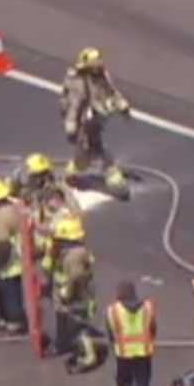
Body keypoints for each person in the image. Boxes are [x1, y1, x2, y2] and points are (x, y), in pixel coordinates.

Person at [61, 46, 132, 198]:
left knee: (91, 151)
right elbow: (73, 107)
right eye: (94, 67)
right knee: (93, 150)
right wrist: (71, 127)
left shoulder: (101, 75)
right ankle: (110, 176)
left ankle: (77, 171)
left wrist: (121, 104)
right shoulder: (78, 82)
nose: (98, 69)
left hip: (97, 116)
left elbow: (111, 91)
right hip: (84, 122)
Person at [45, 211, 98, 364]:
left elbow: (76, 275)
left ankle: (89, 356)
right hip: (66, 297)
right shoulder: (69, 252)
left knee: (77, 326)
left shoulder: (73, 256)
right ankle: (63, 344)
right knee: (64, 321)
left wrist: (66, 291)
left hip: (75, 297)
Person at [0, 177, 31, 334]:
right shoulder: (12, 207)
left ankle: (13, 321)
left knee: (9, 291)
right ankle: (6, 319)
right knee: (6, 289)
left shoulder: (1, 215)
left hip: (8, 262)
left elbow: (2, 241)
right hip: (16, 258)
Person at [106, 281, 157, 386]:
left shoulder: (113, 310)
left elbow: (111, 332)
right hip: (143, 350)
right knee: (142, 380)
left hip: (124, 353)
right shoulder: (147, 307)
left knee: (125, 382)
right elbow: (152, 327)